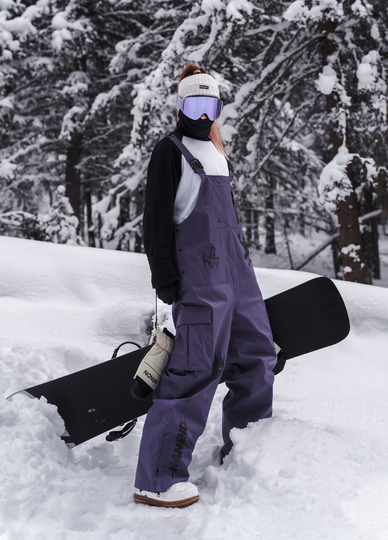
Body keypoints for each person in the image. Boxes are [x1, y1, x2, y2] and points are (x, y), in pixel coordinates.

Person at [134, 63, 277, 508]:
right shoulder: (170, 151)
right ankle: (157, 480)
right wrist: (164, 276)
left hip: (238, 278)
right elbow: (156, 219)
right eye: (193, 105)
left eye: (209, 106)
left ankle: (245, 451)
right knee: (195, 371)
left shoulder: (217, 153)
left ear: (216, 109)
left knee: (257, 358)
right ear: (180, 106)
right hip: (200, 281)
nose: (201, 114)